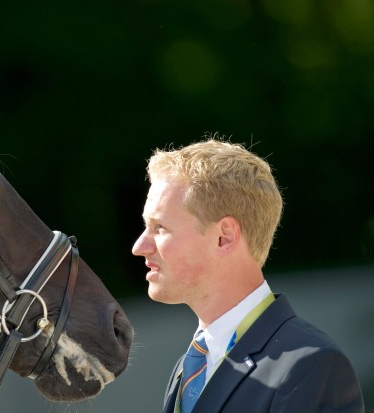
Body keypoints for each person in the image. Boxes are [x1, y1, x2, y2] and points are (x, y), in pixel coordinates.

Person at [131, 138, 365, 413]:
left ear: (224, 237)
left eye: (160, 227)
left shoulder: (311, 367)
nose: (139, 247)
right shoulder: (188, 366)